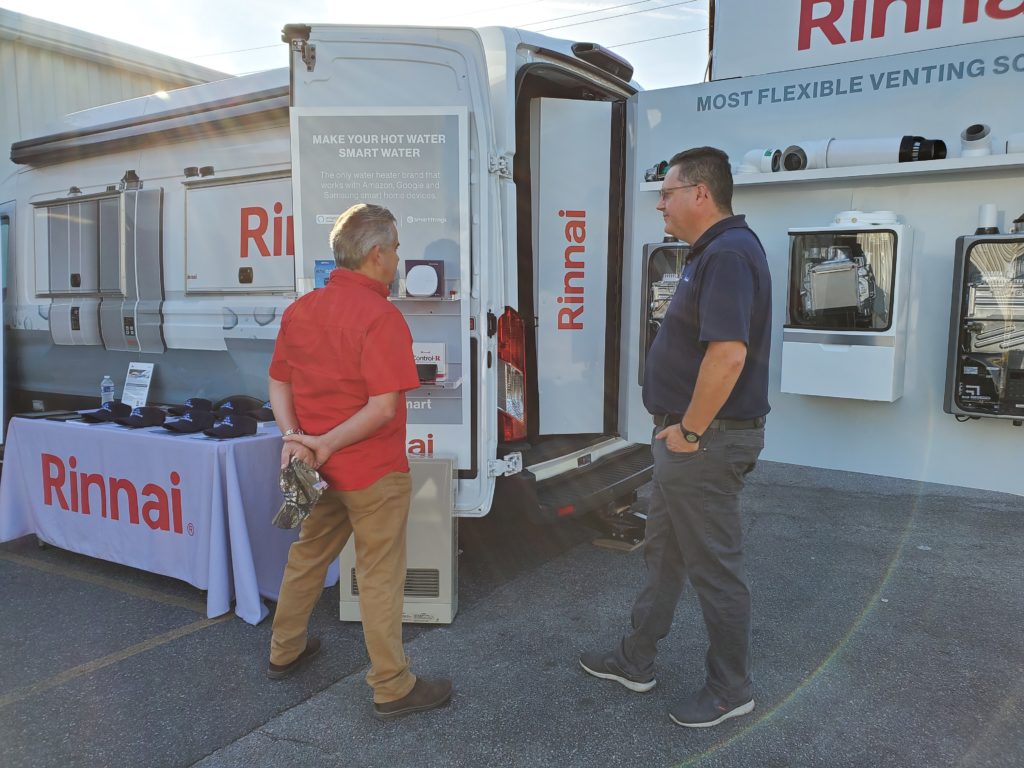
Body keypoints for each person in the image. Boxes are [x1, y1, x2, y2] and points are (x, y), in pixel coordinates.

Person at [579, 147, 771, 728]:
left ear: (701, 194)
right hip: (686, 442)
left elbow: (728, 354)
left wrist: (687, 430)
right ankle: (635, 658)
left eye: (667, 192)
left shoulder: (730, 255)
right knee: (664, 554)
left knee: (714, 567)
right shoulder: (707, 254)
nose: (659, 203)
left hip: (704, 443)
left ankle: (729, 689)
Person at [265, 202, 452, 720]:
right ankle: (392, 685)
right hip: (372, 471)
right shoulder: (381, 316)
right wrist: (320, 442)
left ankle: (285, 651)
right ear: (376, 255)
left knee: (307, 557)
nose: (397, 259)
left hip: (318, 472)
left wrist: (297, 438)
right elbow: (383, 407)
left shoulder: (302, 309)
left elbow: (279, 380)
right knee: (379, 575)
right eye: (394, 250)